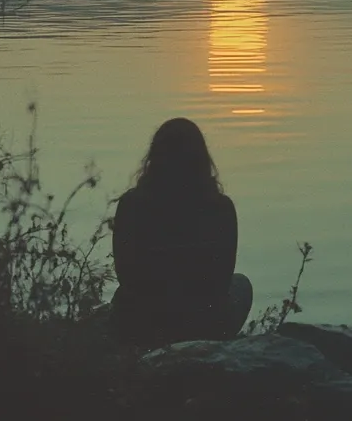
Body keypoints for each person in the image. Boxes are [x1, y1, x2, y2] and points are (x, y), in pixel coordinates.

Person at [102, 117, 253, 348]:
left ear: (154, 158)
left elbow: (125, 275)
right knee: (241, 285)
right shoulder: (220, 207)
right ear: (202, 160)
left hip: (143, 323)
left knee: (120, 301)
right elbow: (223, 278)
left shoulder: (132, 204)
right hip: (204, 324)